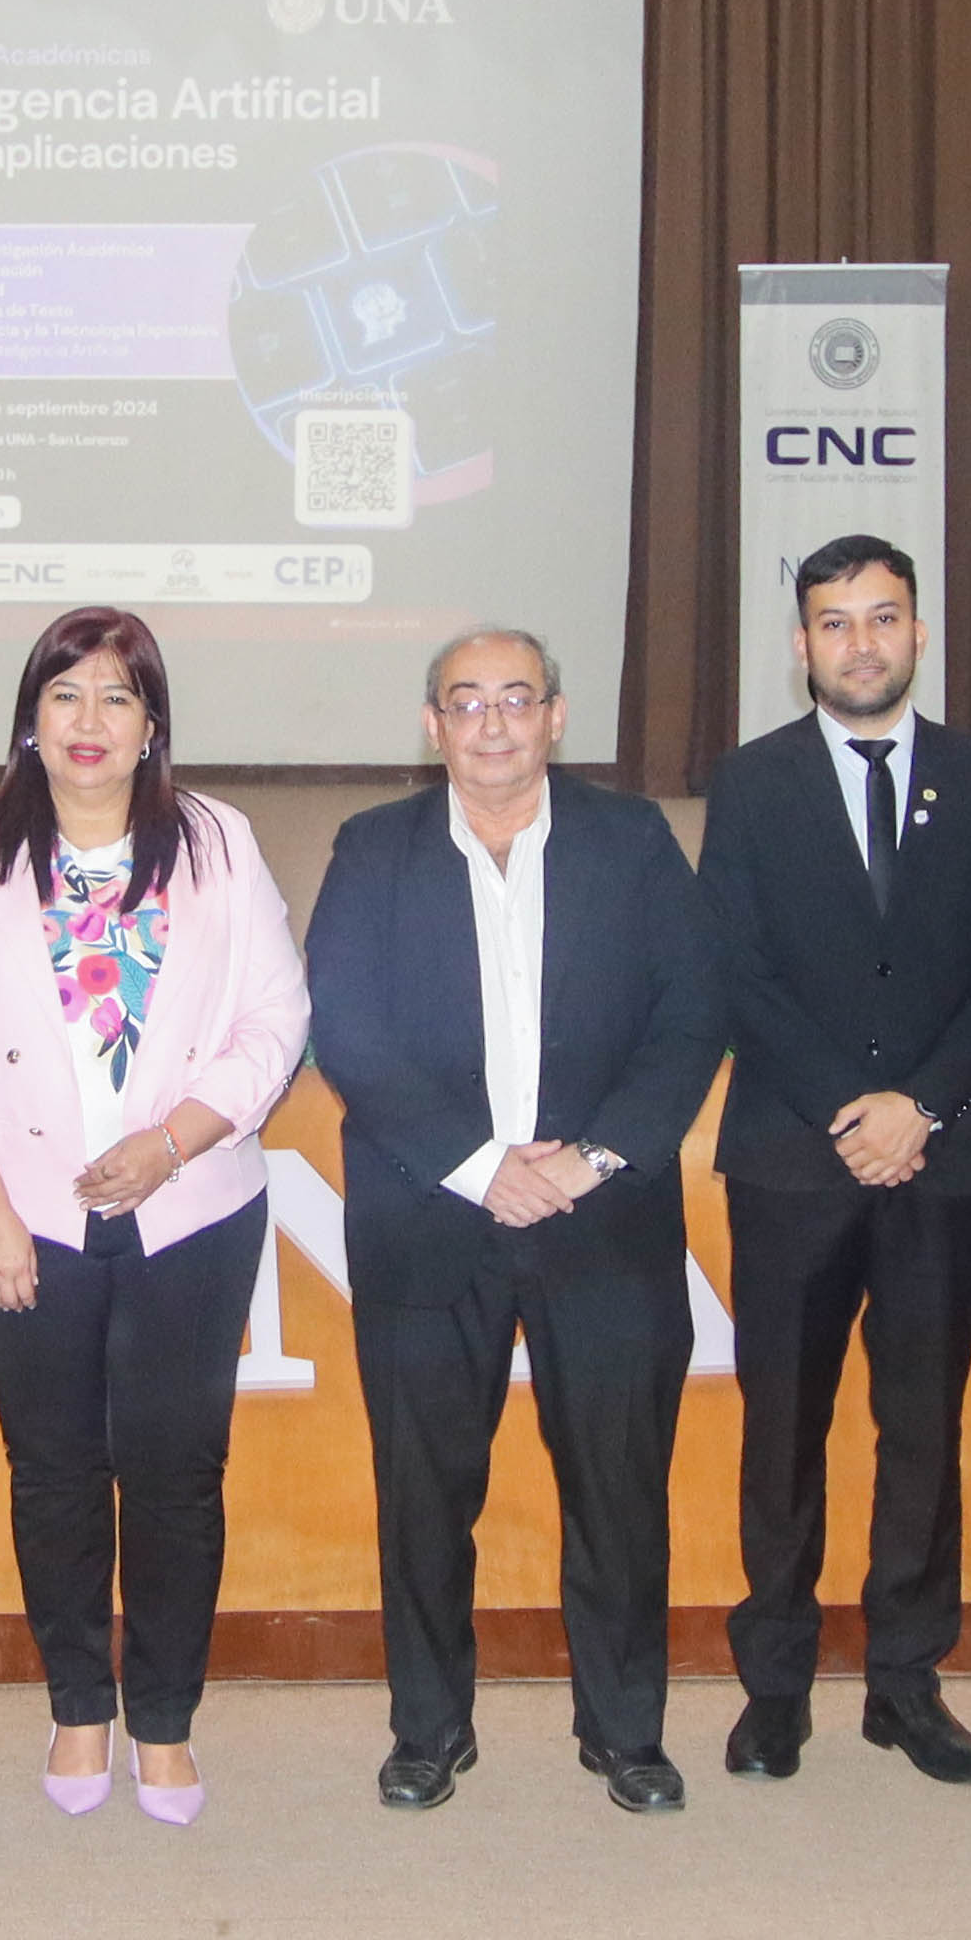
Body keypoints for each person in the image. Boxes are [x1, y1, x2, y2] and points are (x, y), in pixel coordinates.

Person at [0, 604, 309, 1824]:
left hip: (190, 1210)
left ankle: (165, 1721)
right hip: (20, 1218)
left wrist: (171, 1141)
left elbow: (273, 1020)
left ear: (150, 727)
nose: (88, 722)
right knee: (55, 1471)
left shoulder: (218, 842)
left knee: (177, 1473)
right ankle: (80, 1706)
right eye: (65, 696)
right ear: (30, 720)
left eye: (115, 699)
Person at [307, 627, 728, 1817]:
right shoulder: (373, 848)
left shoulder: (631, 843)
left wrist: (588, 1161)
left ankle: (625, 1733)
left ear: (554, 716)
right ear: (431, 726)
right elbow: (347, 1028)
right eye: (464, 702)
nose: (491, 724)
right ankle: (429, 1731)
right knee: (426, 1497)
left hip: (603, 1221)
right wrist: (477, 1164)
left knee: (617, 1490)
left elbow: (689, 1018)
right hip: (428, 1221)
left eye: (514, 700)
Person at [696, 534, 971, 1786]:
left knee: (921, 1429)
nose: (860, 642)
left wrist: (923, 1108)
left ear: (917, 632)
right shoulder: (748, 784)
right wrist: (854, 1107)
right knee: (781, 1432)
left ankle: (906, 1683)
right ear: (800, 645)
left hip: (943, 1163)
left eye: (882, 618)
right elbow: (734, 967)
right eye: (834, 622)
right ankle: (775, 1685)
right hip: (794, 1159)